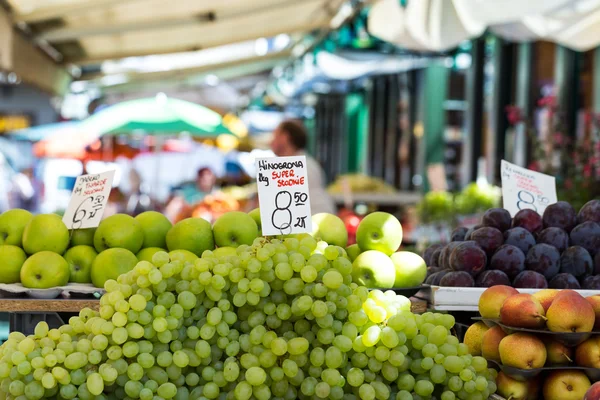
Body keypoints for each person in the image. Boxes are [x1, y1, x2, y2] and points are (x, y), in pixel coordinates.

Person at [271, 119, 336, 215]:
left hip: (314, 221)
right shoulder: (307, 162)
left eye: (275, 136)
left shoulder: (298, 166)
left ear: (285, 137)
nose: (271, 142)